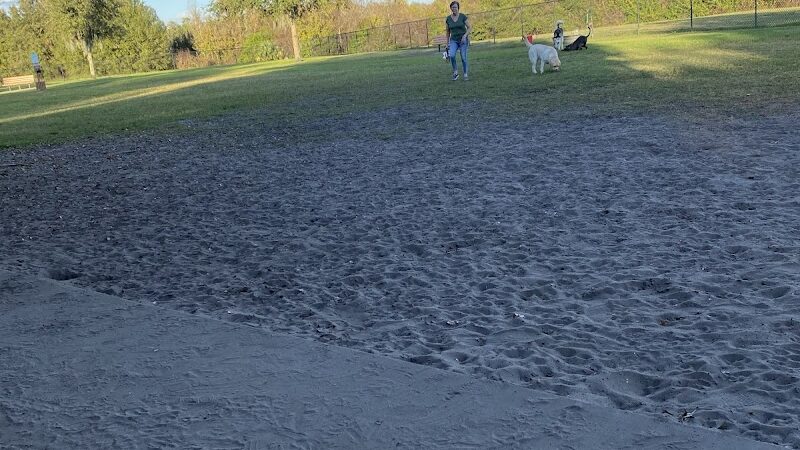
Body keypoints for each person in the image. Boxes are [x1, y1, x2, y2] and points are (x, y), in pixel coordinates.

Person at [445, 1, 471, 81]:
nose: (454, 9)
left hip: (463, 40)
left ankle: (465, 73)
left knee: (463, 57)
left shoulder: (463, 16)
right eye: (452, 7)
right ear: (451, 8)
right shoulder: (448, 19)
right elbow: (447, 32)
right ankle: (455, 72)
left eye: (455, 7)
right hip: (453, 40)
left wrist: (465, 36)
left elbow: (469, 27)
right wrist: (447, 43)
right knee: (452, 55)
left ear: (458, 8)